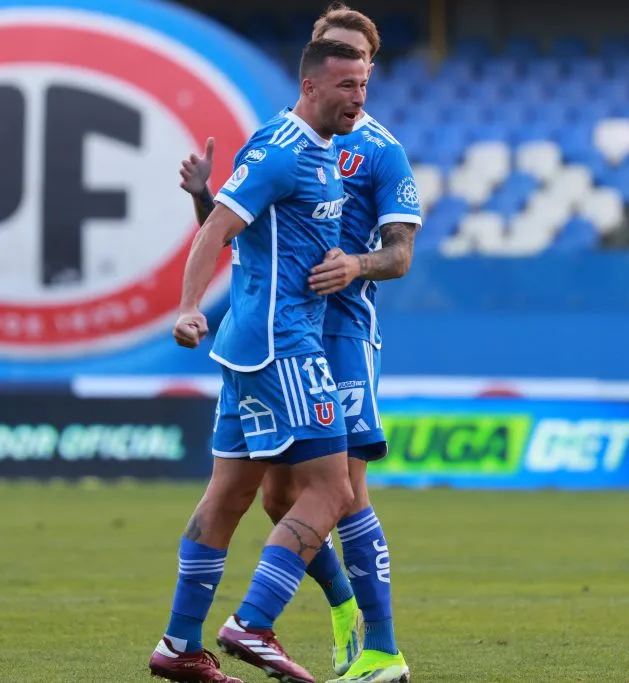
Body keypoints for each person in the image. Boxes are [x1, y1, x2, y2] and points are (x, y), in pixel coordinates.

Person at [176, 6, 418, 682]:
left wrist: (356, 264)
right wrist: (206, 200)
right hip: (288, 331)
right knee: (282, 498)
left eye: (364, 70)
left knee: (345, 490)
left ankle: (382, 647)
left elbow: (400, 254)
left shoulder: (380, 149)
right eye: (343, 66)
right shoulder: (288, 139)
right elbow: (246, 230)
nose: (357, 88)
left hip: (341, 334)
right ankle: (342, 611)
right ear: (318, 69)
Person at [148, 39, 368, 683]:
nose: (358, 97)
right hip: (283, 346)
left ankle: (180, 647)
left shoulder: (320, 150)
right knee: (332, 488)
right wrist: (189, 306)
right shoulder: (283, 150)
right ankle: (254, 621)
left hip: (254, 346)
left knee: (231, 494)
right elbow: (218, 228)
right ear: (310, 87)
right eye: (346, 85)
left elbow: (256, 231)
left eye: (363, 85)